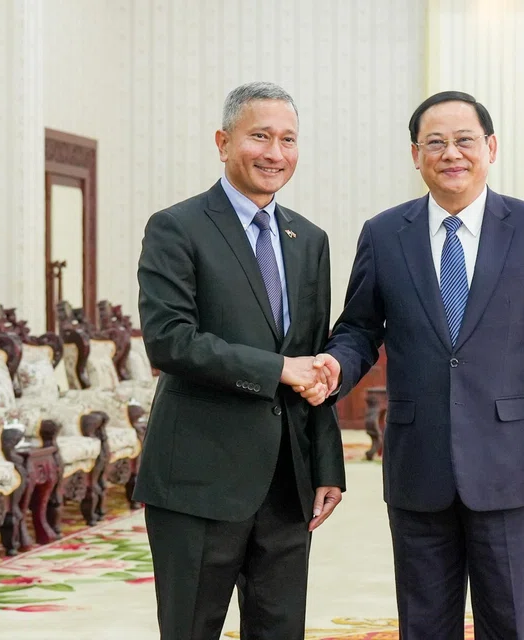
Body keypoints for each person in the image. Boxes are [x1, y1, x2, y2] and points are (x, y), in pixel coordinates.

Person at [304, 91, 524, 639]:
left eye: (464, 140)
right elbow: (361, 328)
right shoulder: (385, 234)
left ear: (491, 147)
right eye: (435, 142)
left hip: (510, 466)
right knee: (424, 624)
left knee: (508, 621)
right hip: (418, 462)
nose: (451, 153)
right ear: (416, 155)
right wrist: (335, 367)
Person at [133, 81, 345, 640]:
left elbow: (313, 359)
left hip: (286, 482)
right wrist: (276, 369)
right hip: (199, 478)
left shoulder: (310, 239)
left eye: (288, 139)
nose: (275, 153)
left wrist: (327, 464)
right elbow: (170, 341)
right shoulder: (176, 227)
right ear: (223, 141)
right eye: (260, 136)